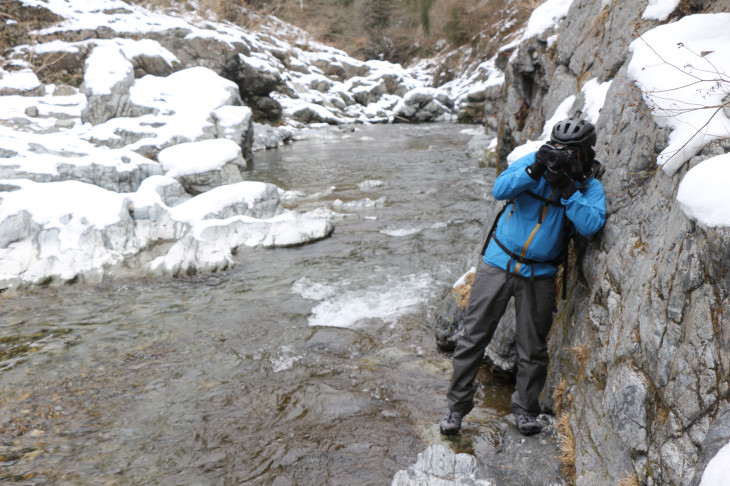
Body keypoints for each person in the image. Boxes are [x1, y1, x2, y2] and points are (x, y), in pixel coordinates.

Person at [440, 118, 606, 436]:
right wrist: (536, 170)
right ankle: (457, 408)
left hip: (540, 275)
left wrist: (568, 189)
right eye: (557, 148)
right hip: (497, 264)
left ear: (585, 154)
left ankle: (526, 410)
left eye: (569, 152)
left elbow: (590, 225)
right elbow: (499, 189)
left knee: (533, 349)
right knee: (472, 338)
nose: (561, 155)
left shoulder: (589, 187)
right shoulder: (535, 162)